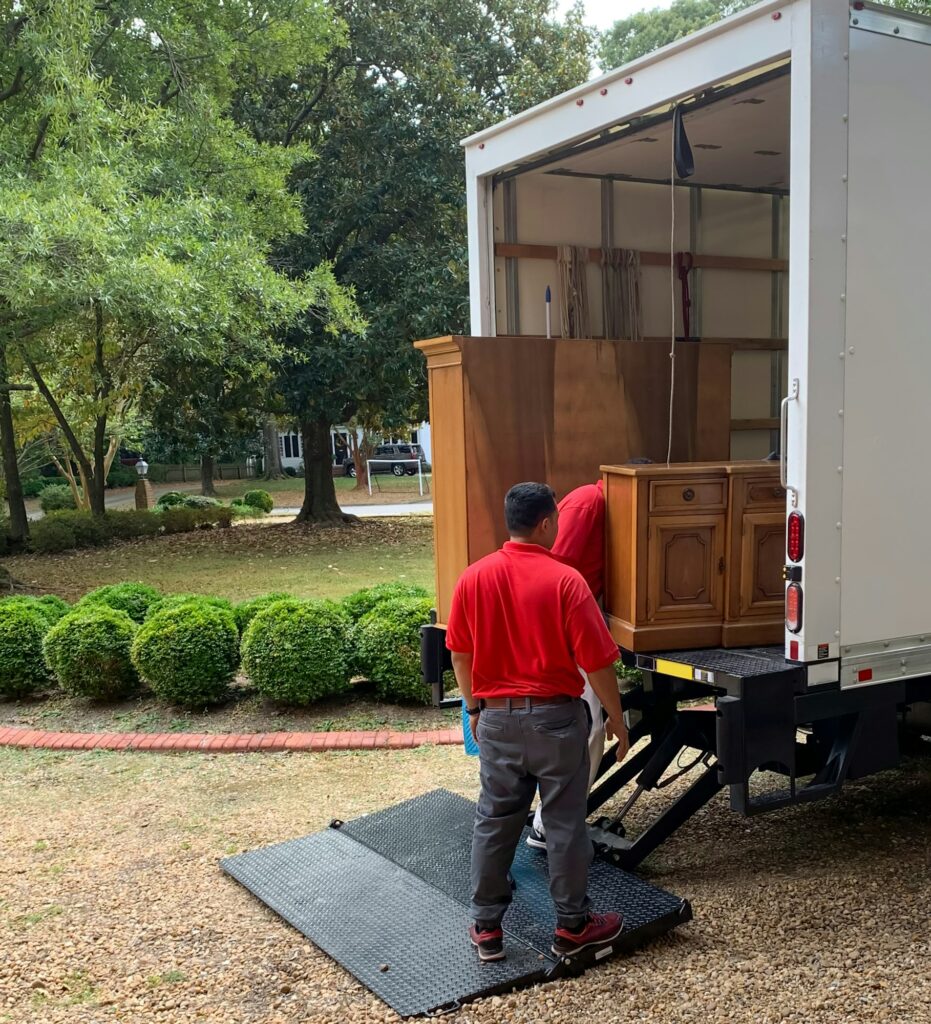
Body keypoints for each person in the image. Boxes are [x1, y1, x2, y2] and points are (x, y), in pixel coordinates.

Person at [447, 482, 630, 963]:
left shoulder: (473, 578)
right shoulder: (567, 582)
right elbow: (597, 663)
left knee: (494, 821)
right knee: (566, 823)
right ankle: (573, 926)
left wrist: (473, 709)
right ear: (547, 523)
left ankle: (486, 927)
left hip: (497, 722)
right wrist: (616, 717)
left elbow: (460, 653)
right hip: (555, 722)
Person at [526, 477, 608, 850]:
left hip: (573, 627)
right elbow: (557, 568)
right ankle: (549, 826)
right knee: (586, 727)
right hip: (569, 629)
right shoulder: (590, 502)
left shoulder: (594, 503)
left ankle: (548, 820)